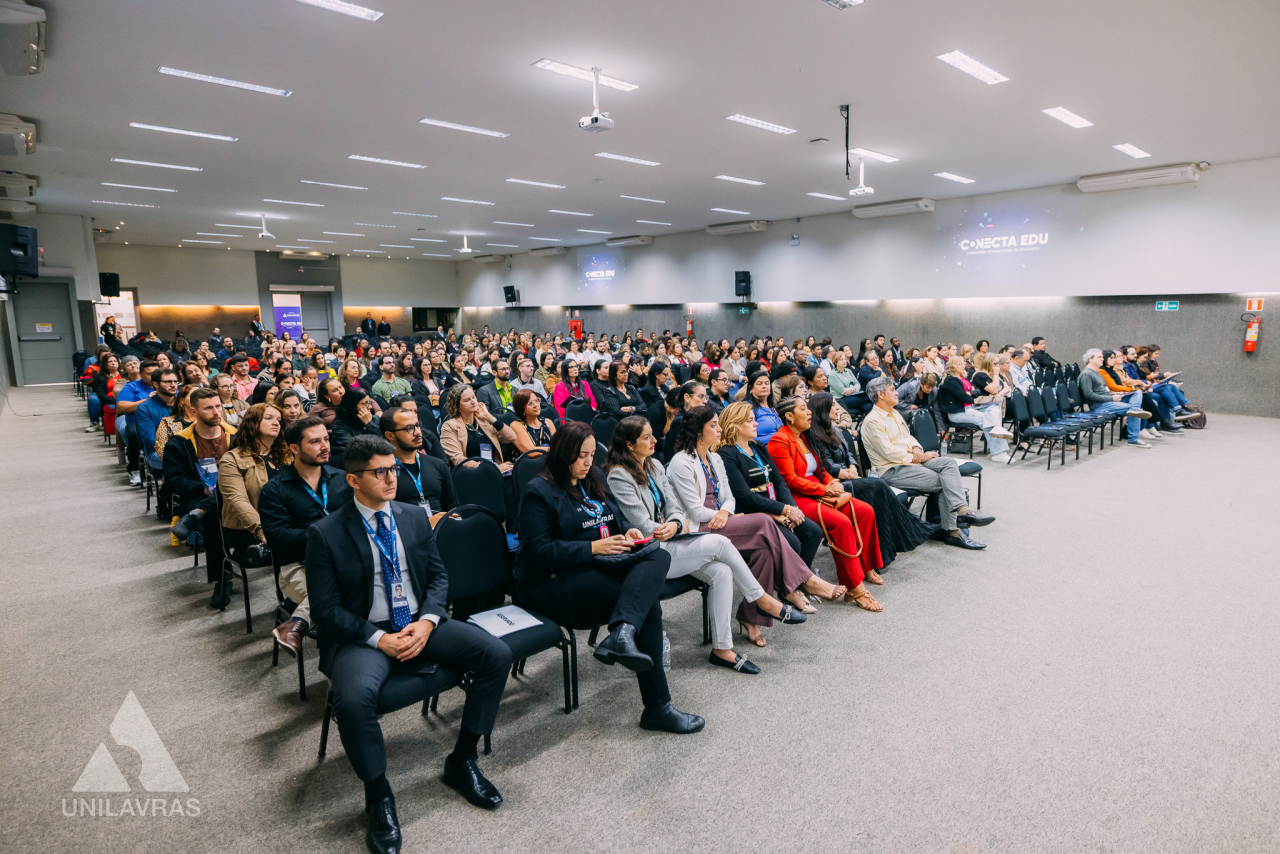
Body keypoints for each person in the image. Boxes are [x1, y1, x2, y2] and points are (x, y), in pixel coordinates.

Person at [306, 435, 513, 853]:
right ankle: (378, 794)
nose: (391, 479)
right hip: (362, 634)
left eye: (394, 470)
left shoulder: (414, 516)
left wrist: (428, 621)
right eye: (380, 472)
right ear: (353, 480)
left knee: (496, 654)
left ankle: (463, 759)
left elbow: (438, 576)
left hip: (420, 621)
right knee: (353, 701)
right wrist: (379, 638)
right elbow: (325, 610)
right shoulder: (325, 533)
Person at [515, 422, 704, 732]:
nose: (588, 462)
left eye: (592, 455)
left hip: (603, 564)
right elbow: (538, 552)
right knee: (646, 604)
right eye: (581, 456)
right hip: (559, 581)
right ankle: (656, 704)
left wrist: (627, 532)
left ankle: (623, 633)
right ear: (562, 453)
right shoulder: (539, 491)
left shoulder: (593, 477)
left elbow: (615, 519)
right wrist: (592, 548)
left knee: (658, 555)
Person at [606, 416, 811, 673]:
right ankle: (761, 599)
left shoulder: (654, 465)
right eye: (646, 437)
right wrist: (667, 527)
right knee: (721, 542)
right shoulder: (619, 475)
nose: (654, 440)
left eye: (652, 435)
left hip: (674, 539)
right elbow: (639, 521)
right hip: (652, 552)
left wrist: (675, 523)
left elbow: (674, 507)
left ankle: (722, 650)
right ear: (629, 445)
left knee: (722, 572)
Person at [666, 407, 815, 646]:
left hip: (722, 521)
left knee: (764, 551)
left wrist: (726, 512)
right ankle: (802, 582)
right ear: (697, 431)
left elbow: (729, 497)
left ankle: (750, 617)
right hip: (698, 528)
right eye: (713, 425)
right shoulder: (681, 462)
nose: (720, 429)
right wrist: (725, 515)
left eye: (719, 424)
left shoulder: (714, 458)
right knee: (764, 521)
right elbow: (695, 510)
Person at [767, 397, 885, 612]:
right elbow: (790, 480)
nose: (809, 412)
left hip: (819, 490)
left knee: (865, 511)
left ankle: (864, 567)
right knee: (841, 523)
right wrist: (824, 489)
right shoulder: (779, 441)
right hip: (797, 497)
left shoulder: (806, 436)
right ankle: (854, 587)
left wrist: (832, 482)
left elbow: (821, 470)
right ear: (790, 416)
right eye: (803, 409)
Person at [859, 377, 993, 549]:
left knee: (948, 464)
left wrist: (916, 447)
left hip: (911, 461)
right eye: (892, 389)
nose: (897, 393)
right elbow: (888, 452)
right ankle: (954, 532)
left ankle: (962, 512)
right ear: (881, 394)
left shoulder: (894, 413)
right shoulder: (873, 421)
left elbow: (908, 438)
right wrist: (921, 457)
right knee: (945, 481)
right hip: (892, 469)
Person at [805, 393, 937, 567]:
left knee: (879, 491)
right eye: (833, 405)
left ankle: (892, 543)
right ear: (822, 409)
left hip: (851, 476)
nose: (838, 408)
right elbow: (825, 465)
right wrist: (845, 473)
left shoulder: (835, 429)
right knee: (878, 486)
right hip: (837, 482)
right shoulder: (814, 434)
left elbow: (849, 454)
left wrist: (853, 466)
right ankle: (909, 529)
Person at [258, 416, 353, 656]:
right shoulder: (275, 489)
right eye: (314, 442)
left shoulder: (342, 479)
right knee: (342, 594)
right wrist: (324, 535)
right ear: (294, 448)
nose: (325, 446)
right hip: (298, 565)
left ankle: (296, 624)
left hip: (344, 561)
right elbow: (277, 537)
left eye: (326, 439)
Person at [164, 389, 239, 604]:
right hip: (199, 494)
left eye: (218, 406)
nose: (216, 412)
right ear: (194, 411)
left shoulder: (235, 435)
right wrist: (203, 489)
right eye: (208, 408)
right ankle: (222, 578)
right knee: (214, 516)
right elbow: (173, 481)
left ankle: (199, 513)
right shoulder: (179, 442)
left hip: (237, 491)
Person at [218, 402, 288, 585]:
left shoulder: (288, 454)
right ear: (252, 423)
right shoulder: (232, 459)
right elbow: (237, 500)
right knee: (301, 546)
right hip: (248, 529)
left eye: (278, 420)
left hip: (283, 523)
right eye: (269, 418)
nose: (276, 423)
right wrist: (262, 530)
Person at [382, 407, 455, 515]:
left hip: (442, 524)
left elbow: (453, 508)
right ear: (390, 435)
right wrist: (427, 522)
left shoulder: (438, 465)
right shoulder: (383, 473)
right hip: (405, 525)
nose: (417, 432)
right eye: (409, 428)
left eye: (417, 425)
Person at [938, 358, 1014, 463]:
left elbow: (977, 391)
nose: (963, 366)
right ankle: (998, 453)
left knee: (995, 407)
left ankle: (999, 435)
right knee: (988, 420)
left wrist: (970, 393)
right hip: (958, 413)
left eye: (963, 364)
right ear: (952, 366)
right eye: (959, 364)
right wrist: (971, 393)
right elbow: (966, 398)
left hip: (970, 408)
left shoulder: (963, 378)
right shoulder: (950, 381)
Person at [1079, 349, 1151, 448]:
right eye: (1099, 357)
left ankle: (1134, 411)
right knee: (1134, 410)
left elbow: (1104, 390)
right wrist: (1111, 398)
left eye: (1102, 357)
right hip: (1099, 405)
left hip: (1107, 400)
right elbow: (1089, 395)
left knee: (1137, 393)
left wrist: (1113, 395)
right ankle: (1133, 439)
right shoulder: (1087, 374)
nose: (1102, 359)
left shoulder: (1096, 372)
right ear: (1090, 359)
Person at [439, 384, 517, 470]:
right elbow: (458, 459)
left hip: (495, 470)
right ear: (457, 407)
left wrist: (490, 418)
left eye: (473, 397)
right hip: (469, 473)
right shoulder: (449, 426)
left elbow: (511, 437)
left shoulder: (484, 421)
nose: (473, 402)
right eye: (467, 400)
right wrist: (493, 468)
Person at [330, 388, 382, 467]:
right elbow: (354, 448)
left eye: (370, 402)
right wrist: (368, 425)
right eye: (365, 403)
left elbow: (382, 443)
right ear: (352, 406)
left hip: (378, 458)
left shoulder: (375, 419)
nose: (370, 407)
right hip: (355, 461)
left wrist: (369, 424)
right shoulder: (339, 425)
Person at [740, 370, 783, 444]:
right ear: (751, 388)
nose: (764, 386)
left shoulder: (772, 407)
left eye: (767, 383)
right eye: (759, 384)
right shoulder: (747, 407)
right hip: (762, 447)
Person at [510, 389, 557, 454]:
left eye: (537, 400)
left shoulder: (548, 422)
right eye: (530, 403)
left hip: (550, 458)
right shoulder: (516, 425)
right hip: (529, 460)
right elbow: (531, 452)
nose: (536, 405)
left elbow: (557, 444)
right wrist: (554, 449)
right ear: (521, 408)